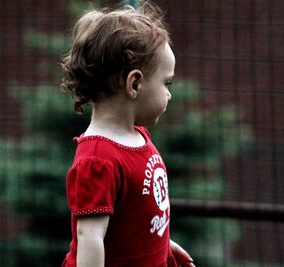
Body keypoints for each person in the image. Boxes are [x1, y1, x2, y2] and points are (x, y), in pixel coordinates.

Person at [61, 1, 195, 266]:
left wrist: (160, 242)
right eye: (166, 83)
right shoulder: (98, 159)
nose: (169, 94)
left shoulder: (138, 137)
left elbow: (131, 216)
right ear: (134, 84)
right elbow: (90, 237)